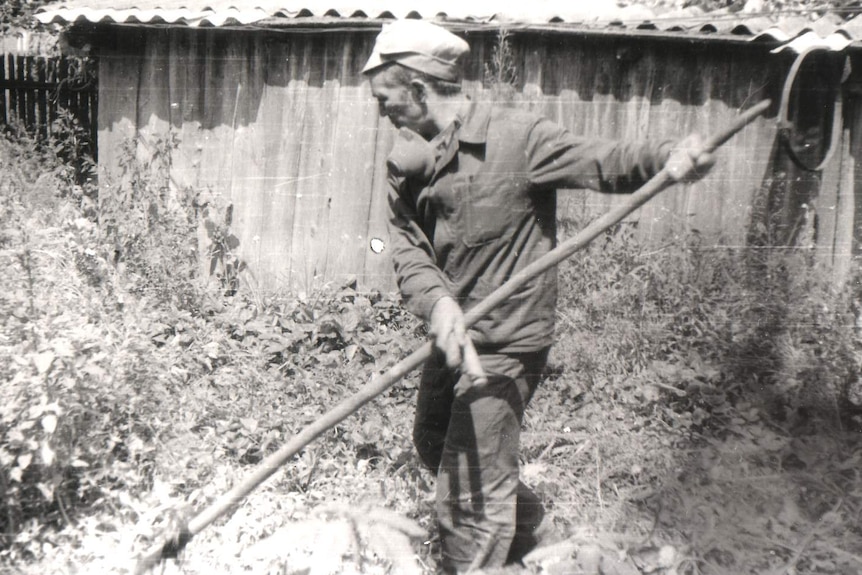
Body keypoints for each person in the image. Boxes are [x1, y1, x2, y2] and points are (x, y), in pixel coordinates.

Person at [361, 19, 712, 574]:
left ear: (420, 88)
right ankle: (538, 534)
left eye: (385, 98)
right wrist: (441, 303)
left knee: (468, 495)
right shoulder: (408, 162)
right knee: (432, 442)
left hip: (508, 338)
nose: (381, 111)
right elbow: (407, 249)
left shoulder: (518, 138)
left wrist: (669, 156)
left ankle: (477, 554)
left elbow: (602, 159)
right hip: (454, 331)